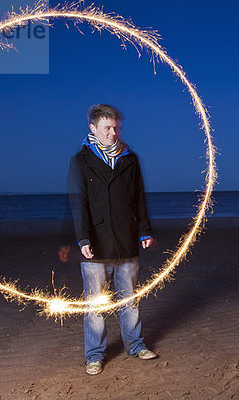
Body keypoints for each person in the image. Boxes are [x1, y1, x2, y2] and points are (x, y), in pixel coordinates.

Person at [68, 104, 157, 375]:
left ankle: (135, 344)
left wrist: (144, 230)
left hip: (126, 238)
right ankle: (95, 354)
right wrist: (83, 239)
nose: (113, 133)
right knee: (96, 302)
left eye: (116, 127)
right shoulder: (80, 161)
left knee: (129, 297)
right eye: (107, 128)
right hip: (96, 241)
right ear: (93, 129)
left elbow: (139, 198)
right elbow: (78, 203)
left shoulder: (130, 159)